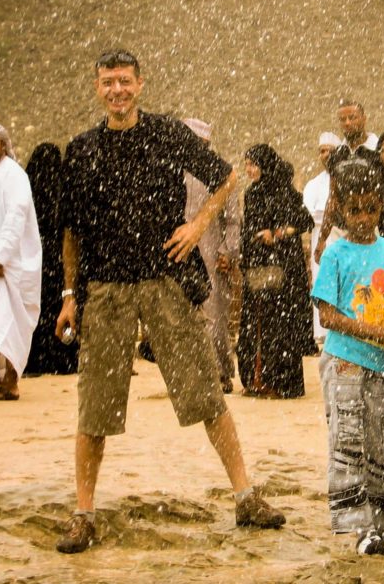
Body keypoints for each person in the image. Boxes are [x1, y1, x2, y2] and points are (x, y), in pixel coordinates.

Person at [55, 49, 285, 554]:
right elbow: (70, 230)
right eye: (108, 82)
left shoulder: (166, 133)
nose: (117, 90)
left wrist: (198, 224)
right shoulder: (82, 149)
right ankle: (83, 513)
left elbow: (227, 176)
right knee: (94, 407)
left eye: (125, 81)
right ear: (97, 88)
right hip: (106, 289)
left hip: (165, 279)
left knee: (206, 391)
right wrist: (70, 295)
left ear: (140, 84)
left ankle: (245, 496)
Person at [311, 160, 384, 555]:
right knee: (350, 440)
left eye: (369, 209)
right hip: (346, 363)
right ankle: (358, 528)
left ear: (381, 206)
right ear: (341, 210)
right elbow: (328, 316)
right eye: (353, 210)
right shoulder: (336, 254)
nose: (361, 218)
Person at [237, 144, 316, 399]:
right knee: (254, 323)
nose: (249, 170)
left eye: (254, 164)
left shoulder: (284, 192)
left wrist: (278, 234)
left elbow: (305, 221)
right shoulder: (252, 194)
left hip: (282, 266)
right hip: (258, 265)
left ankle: (280, 382)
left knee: (278, 325)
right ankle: (255, 379)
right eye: (247, 164)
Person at [0, 122, 41, 401]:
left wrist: (1, 255)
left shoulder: (15, 175)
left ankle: (11, 382)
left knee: (8, 324)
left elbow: (16, 217)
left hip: (9, 265)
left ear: (4, 145)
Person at [182, 118, 241, 394]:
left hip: (210, 253)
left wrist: (227, 250)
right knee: (181, 315)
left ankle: (218, 371)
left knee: (213, 314)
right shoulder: (173, 171)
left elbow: (232, 220)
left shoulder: (221, 173)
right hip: (179, 252)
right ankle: (190, 373)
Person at [24, 142, 79, 376]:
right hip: (59, 261)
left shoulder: (28, 190)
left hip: (34, 260)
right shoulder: (64, 189)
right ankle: (63, 357)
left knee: (37, 310)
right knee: (61, 308)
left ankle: (35, 357)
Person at [313, 99, 378, 264]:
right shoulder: (337, 155)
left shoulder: (377, 151)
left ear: (364, 118)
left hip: (370, 229)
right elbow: (333, 197)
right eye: (343, 119)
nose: (348, 123)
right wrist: (322, 238)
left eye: (353, 117)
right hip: (340, 230)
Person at [302, 131, 343, 341]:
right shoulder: (313, 184)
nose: (325, 155)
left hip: (342, 235)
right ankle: (322, 333)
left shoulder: (344, 178)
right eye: (322, 151)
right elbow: (308, 212)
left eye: (329, 151)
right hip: (320, 236)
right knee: (322, 280)